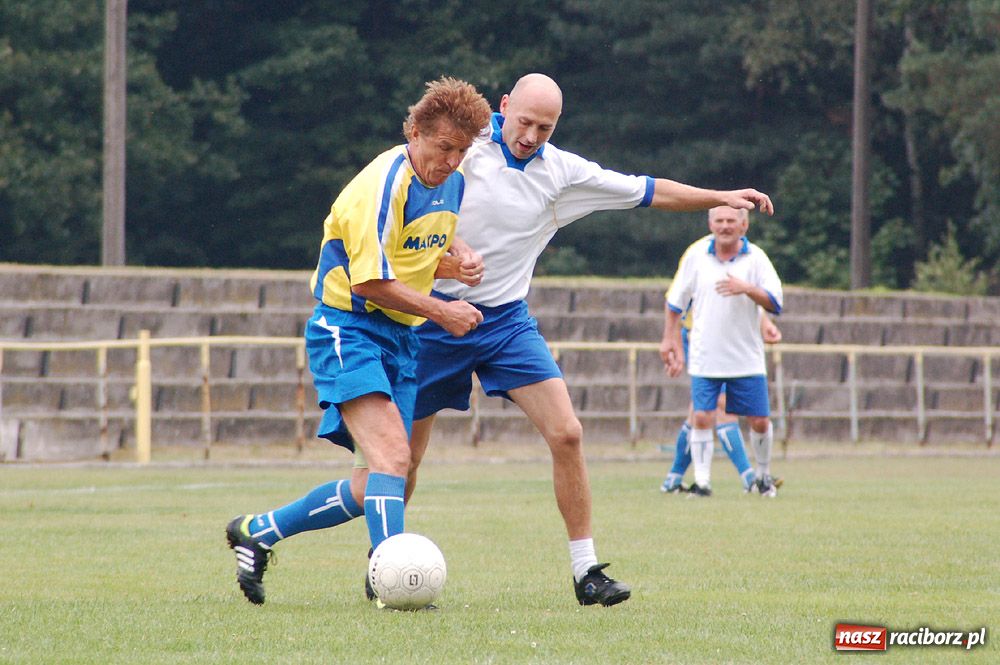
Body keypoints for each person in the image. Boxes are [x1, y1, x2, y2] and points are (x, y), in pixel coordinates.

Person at [352, 72, 774, 607]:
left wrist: (721, 196)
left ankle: (586, 572)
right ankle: (384, 565)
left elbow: (650, 190)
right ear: (505, 107)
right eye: (524, 121)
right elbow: (405, 197)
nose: (530, 135)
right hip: (435, 321)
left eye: (544, 128)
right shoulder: (465, 146)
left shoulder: (564, 173)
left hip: (505, 323)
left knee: (568, 433)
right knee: (405, 460)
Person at [224, 76, 492, 605]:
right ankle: (391, 586)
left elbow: (417, 248)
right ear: (414, 132)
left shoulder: (452, 181)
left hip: (403, 338)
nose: (452, 161)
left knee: (374, 484)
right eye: (443, 148)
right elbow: (368, 280)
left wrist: (457, 261)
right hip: (349, 329)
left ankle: (258, 531)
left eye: (462, 151)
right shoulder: (380, 185)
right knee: (394, 456)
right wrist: (444, 311)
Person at [660, 205, 783, 499]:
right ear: (710, 223)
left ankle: (760, 476)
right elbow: (676, 301)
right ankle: (702, 482)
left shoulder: (756, 258)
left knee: (759, 420)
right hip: (705, 352)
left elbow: (774, 300)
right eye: (719, 220)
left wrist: (748, 292)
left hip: (746, 356)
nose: (725, 226)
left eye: (731, 221)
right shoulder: (696, 254)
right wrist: (670, 340)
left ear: (744, 226)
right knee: (702, 415)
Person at [660, 302, 782, 496]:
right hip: (702, 338)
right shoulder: (694, 270)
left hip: (729, 338)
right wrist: (671, 339)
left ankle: (673, 478)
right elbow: (676, 299)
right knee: (720, 405)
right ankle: (749, 477)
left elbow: (744, 294)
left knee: (700, 410)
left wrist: (764, 322)